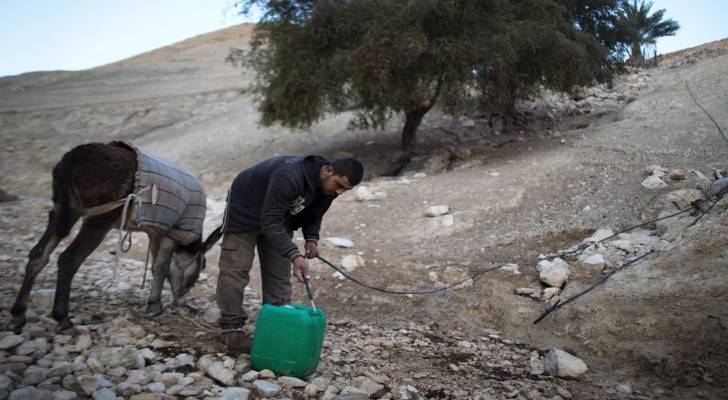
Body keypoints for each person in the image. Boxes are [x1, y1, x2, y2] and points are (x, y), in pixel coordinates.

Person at [216, 155, 364, 353]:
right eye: (339, 185)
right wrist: (295, 255)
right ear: (328, 171)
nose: (339, 192)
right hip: (245, 210)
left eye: (345, 189)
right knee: (235, 270)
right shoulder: (290, 175)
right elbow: (269, 220)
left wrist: (311, 238)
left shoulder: (328, 189)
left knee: (279, 276)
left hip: (279, 216)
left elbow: (314, 215)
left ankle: (276, 327)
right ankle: (231, 331)